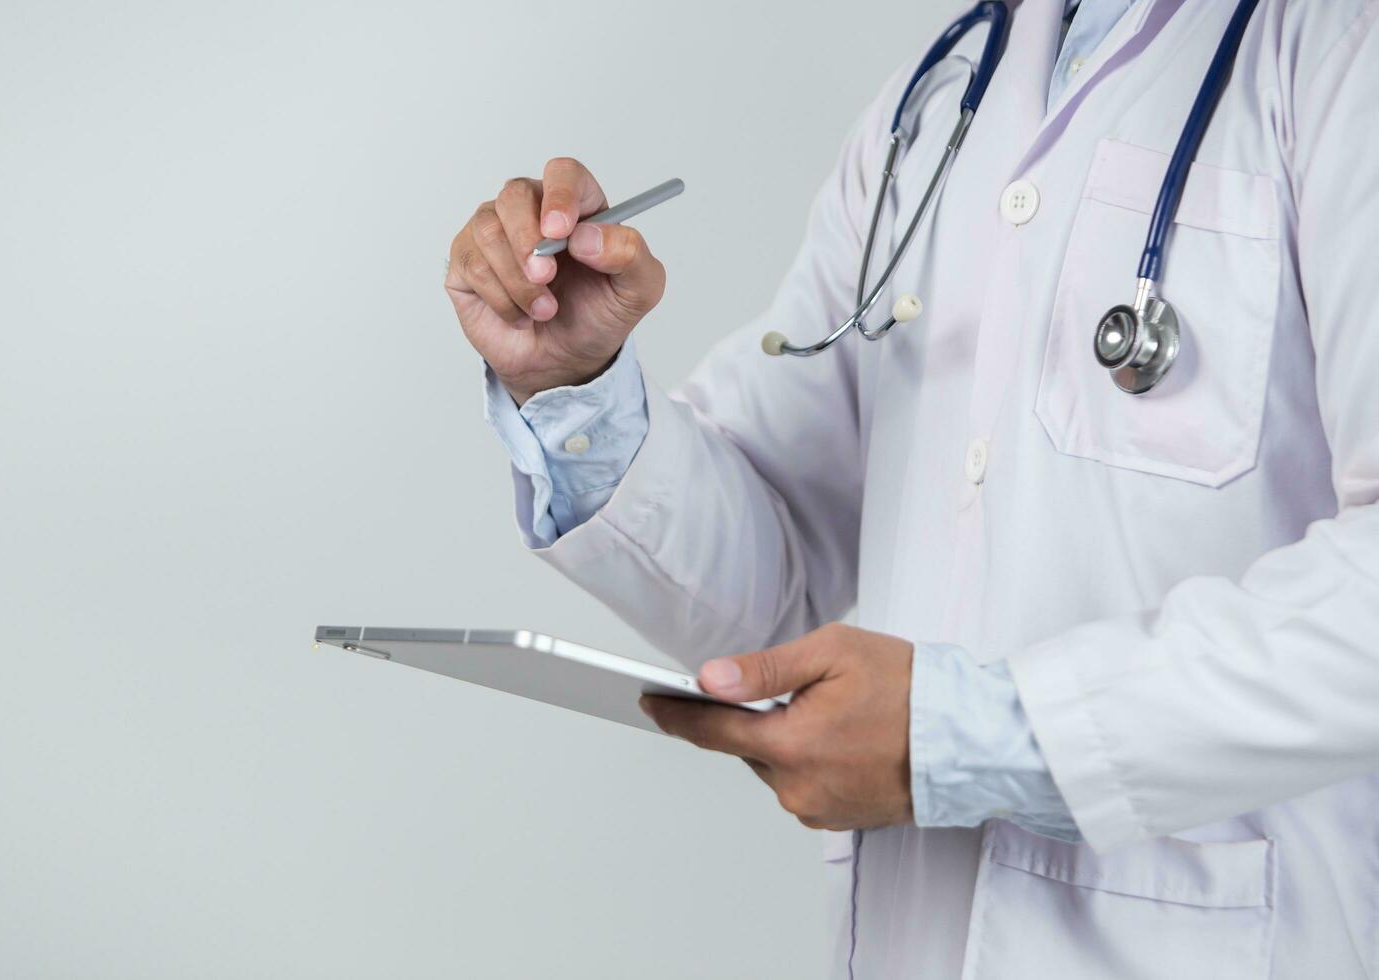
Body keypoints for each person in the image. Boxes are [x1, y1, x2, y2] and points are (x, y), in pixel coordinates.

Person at [442, 0, 1379, 976]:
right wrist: (574, 384)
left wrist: (974, 733)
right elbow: (766, 575)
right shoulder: (937, 101)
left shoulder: (1339, 49)